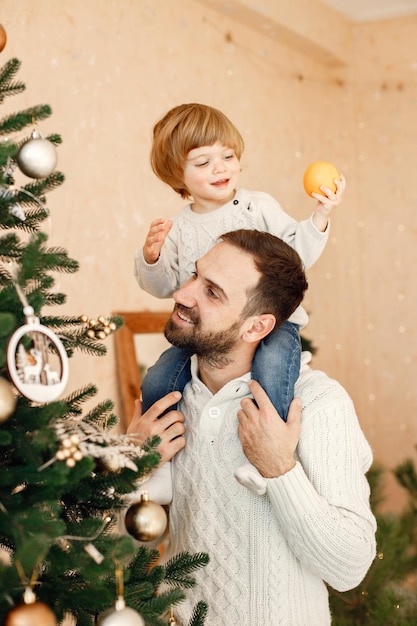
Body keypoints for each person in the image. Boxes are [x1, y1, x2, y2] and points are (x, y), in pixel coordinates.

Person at [128, 229, 376, 626]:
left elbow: (349, 570)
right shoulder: (165, 401)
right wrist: (132, 467)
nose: (182, 294)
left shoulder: (318, 403)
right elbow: (123, 549)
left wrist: (279, 468)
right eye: (194, 276)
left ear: (256, 327)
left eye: (212, 292)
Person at [134, 103, 346, 500]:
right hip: (205, 333)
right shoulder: (178, 228)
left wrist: (320, 215)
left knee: (273, 370)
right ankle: (158, 464)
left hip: (277, 324)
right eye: (203, 162)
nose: (220, 168)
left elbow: (295, 253)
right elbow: (164, 287)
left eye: (228, 156)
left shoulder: (257, 207)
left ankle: (264, 459)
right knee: (159, 379)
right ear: (175, 174)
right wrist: (152, 257)